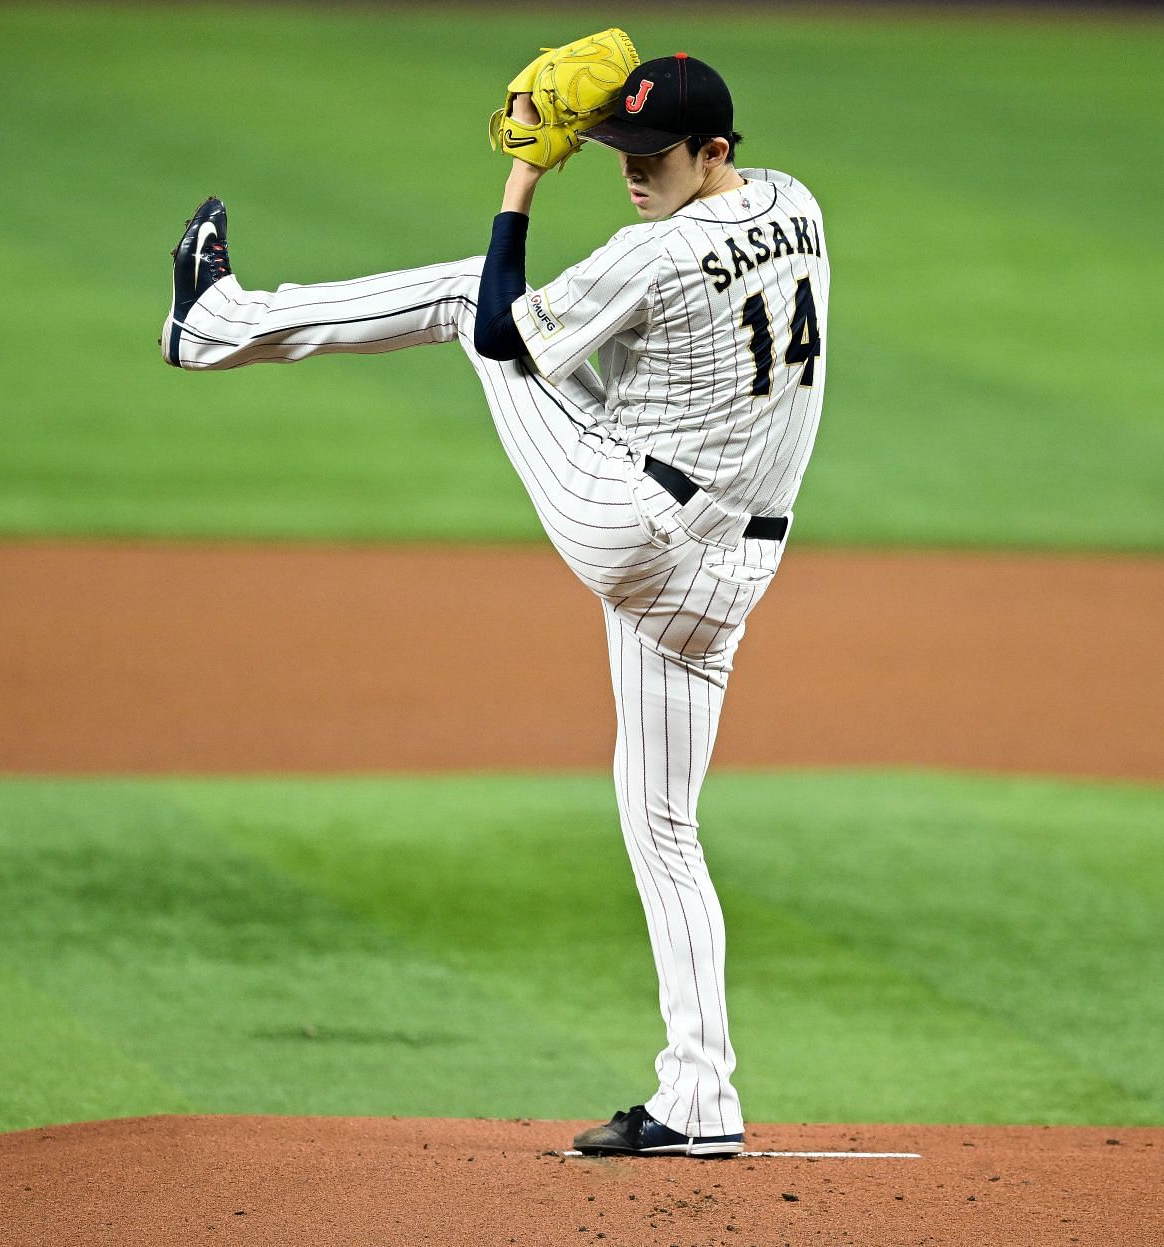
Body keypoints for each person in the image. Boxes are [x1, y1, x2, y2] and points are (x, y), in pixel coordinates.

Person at [161, 49, 829, 1159]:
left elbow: (503, 327)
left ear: (715, 153)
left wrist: (522, 180)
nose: (628, 170)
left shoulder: (655, 253)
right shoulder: (796, 205)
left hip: (630, 525)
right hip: (730, 577)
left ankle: (212, 325)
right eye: (617, 149)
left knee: (457, 293)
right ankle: (701, 1098)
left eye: (651, 155)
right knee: (665, 829)